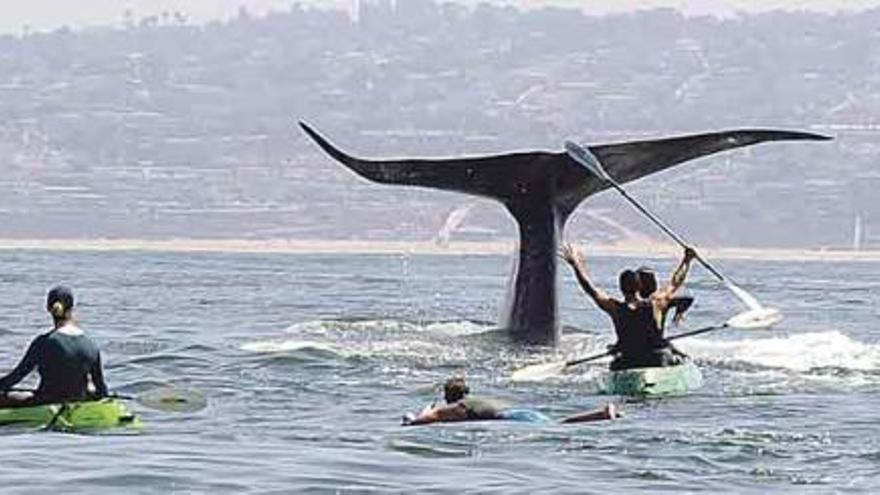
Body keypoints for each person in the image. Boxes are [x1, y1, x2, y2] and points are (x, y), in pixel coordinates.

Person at [560, 243, 696, 370]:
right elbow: (675, 283)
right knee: (673, 355)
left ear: (621, 288)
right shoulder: (657, 302)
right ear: (640, 287)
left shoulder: (614, 307)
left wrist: (576, 265)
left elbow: (590, 288)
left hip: (627, 361)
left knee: (615, 359)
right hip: (655, 360)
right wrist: (687, 260)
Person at [0, 286, 109, 406]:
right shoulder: (90, 344)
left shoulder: (43, 342)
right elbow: (101, 389)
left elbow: (16, 377)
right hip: (78, 400)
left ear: (48, 308)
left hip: (46, 401)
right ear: (72, 308)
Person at [401, 376, 618, 426]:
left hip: (515, 418)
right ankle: (601, 414)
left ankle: (602, 414)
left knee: (558, 426)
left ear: (449, 396)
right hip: (522, 411)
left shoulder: (458, 407)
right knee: (558, 424)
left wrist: (420, 414)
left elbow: (425, 419)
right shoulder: (477, 400)